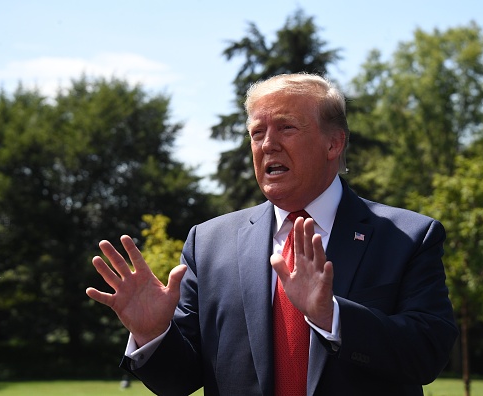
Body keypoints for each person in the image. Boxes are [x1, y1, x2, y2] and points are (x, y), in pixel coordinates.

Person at [86, 73, 458, 395]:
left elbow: (427, 354)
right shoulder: (209, 243)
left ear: (334, 143)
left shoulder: (408, 236)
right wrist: (154, 334)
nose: (268, 145)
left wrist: (333, 317)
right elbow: (178, 381)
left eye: (286, 128)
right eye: (257, 133)